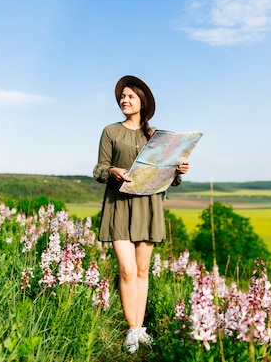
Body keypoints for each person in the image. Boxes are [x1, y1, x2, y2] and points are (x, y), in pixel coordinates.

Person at [93, 75, 189, 354]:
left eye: (130, 96)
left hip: (148, 205)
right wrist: (112, 171)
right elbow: (99, 168)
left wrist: (179, 170)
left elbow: (167, 175)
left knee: (143, 270)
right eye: (122, 96)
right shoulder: (110, 131)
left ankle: (139, 327)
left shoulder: (156, 137)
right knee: (127, 269)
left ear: (141, 102)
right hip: (119, 204)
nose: (124, 100)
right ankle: (132, 329)